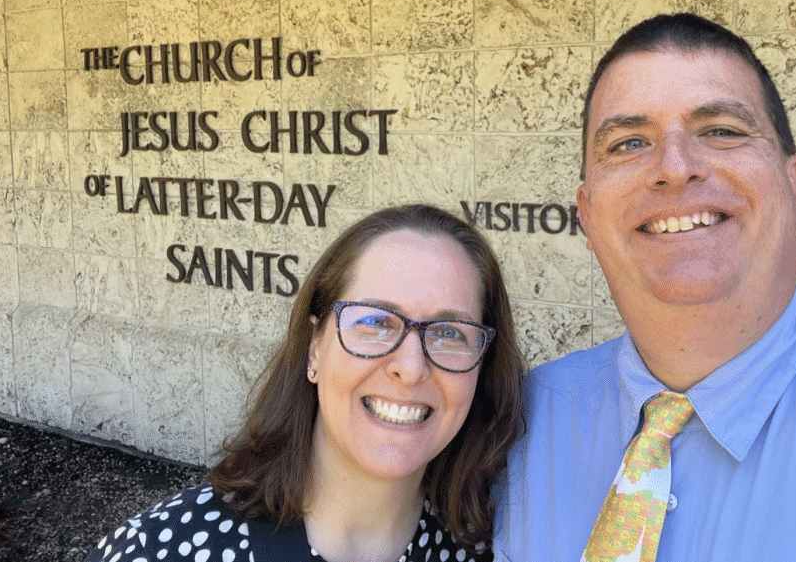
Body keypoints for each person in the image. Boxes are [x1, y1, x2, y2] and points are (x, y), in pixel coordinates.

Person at [493, 13, 796, 561]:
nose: (674, 168)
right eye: (630, 143)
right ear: (586, 215)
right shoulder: (512, 426)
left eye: (722, 131)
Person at [87, 204, 524, 562]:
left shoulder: (493, 550)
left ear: (482, 367)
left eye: (450, 332)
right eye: (373, 321)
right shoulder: (156, 553)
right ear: (315, 349)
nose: (410, 369)